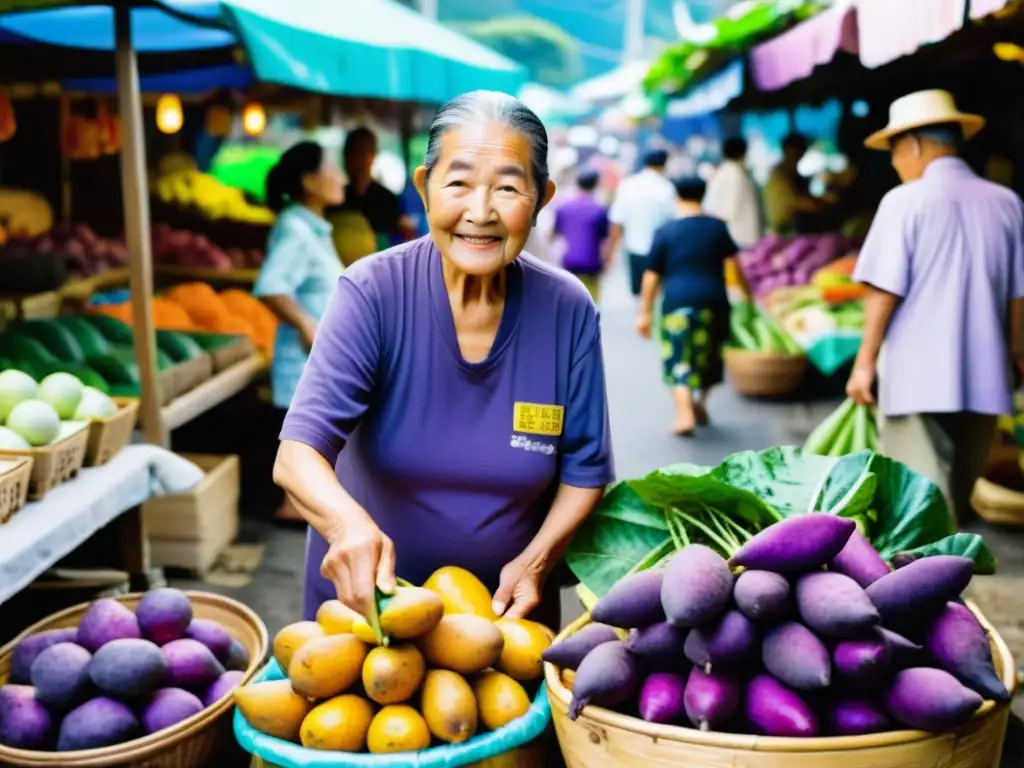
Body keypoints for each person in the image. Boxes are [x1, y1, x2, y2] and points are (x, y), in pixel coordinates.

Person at [272, 91, 614, 631]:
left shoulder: (567, 308)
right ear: (424, 189)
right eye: (457, 183)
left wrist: (539, 560)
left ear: (542, 197)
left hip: (507, 623)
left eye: (507, 187)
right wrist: (346, 526)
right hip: (367, 619)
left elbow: (585, 472)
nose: (479, 213)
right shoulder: (373, 291)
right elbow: (296, 456)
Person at [846, 89, 1024, 525]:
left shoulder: (903, 202)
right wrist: (1018, 354)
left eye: (893, 152)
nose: (893, 163)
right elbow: (1019, 296)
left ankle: (932, 587)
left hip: (917, 377)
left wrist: (864, 363)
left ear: (913, 145)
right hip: (986, 373)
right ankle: (946, 581)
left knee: (920, 507)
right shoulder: (1007, 202)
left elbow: (883, 291)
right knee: (955, 500)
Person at [253, 141, 345, 525]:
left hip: (314, 366)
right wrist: (307, 323)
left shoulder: (312, 228)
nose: (339, 177)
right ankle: (295, 513)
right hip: (302, 366)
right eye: (331, 168)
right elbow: (271, 285)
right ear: (310, 181)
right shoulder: (295, 228)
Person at [636, 177, 739, 436]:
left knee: (678, 359)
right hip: (714, 301)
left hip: (677, 304)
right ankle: (699, 403)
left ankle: (684, 412)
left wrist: (644, 313)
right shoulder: (717, 227)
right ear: (703, 194)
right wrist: (747, 297)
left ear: (677, 196)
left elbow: (651, 276)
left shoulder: (666, 231)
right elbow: (735, 267)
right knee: (710, 358)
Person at [332, 127, 415, 252]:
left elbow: (407, 236)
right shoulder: (337, 198)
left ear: (371, 157)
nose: (350, 161)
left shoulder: (387, 200)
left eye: (356, 154)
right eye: (347, 154)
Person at [607, 149, 676, 296]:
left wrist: (610, 251)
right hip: (661, 251)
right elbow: (673, 222)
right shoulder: (667, 188)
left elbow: (617, 222)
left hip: (635, 249)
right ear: (664, 165)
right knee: (659, 293)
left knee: (641, 294)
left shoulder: (628, 185)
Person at [552, 169, 610, 301]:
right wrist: (607, 261)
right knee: (591, 302)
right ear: (596, 184)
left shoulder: (563, 207)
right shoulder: (600, 209)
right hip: (592, 262)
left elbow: (554, 235)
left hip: (568, 261)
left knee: (570, 299)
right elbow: (605, 240)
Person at [702, 136, 763, 249]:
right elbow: (727, 210)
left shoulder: (724, 172)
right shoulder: (734, 174)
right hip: (738, 238)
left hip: (736, 237)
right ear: (744, 152)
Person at [763, 132, 825, 234]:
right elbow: (798, 203)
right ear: (787, 150)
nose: (800, 154)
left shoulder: (789, 174)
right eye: (798, 150)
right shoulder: (780, 176)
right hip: (784, 233)